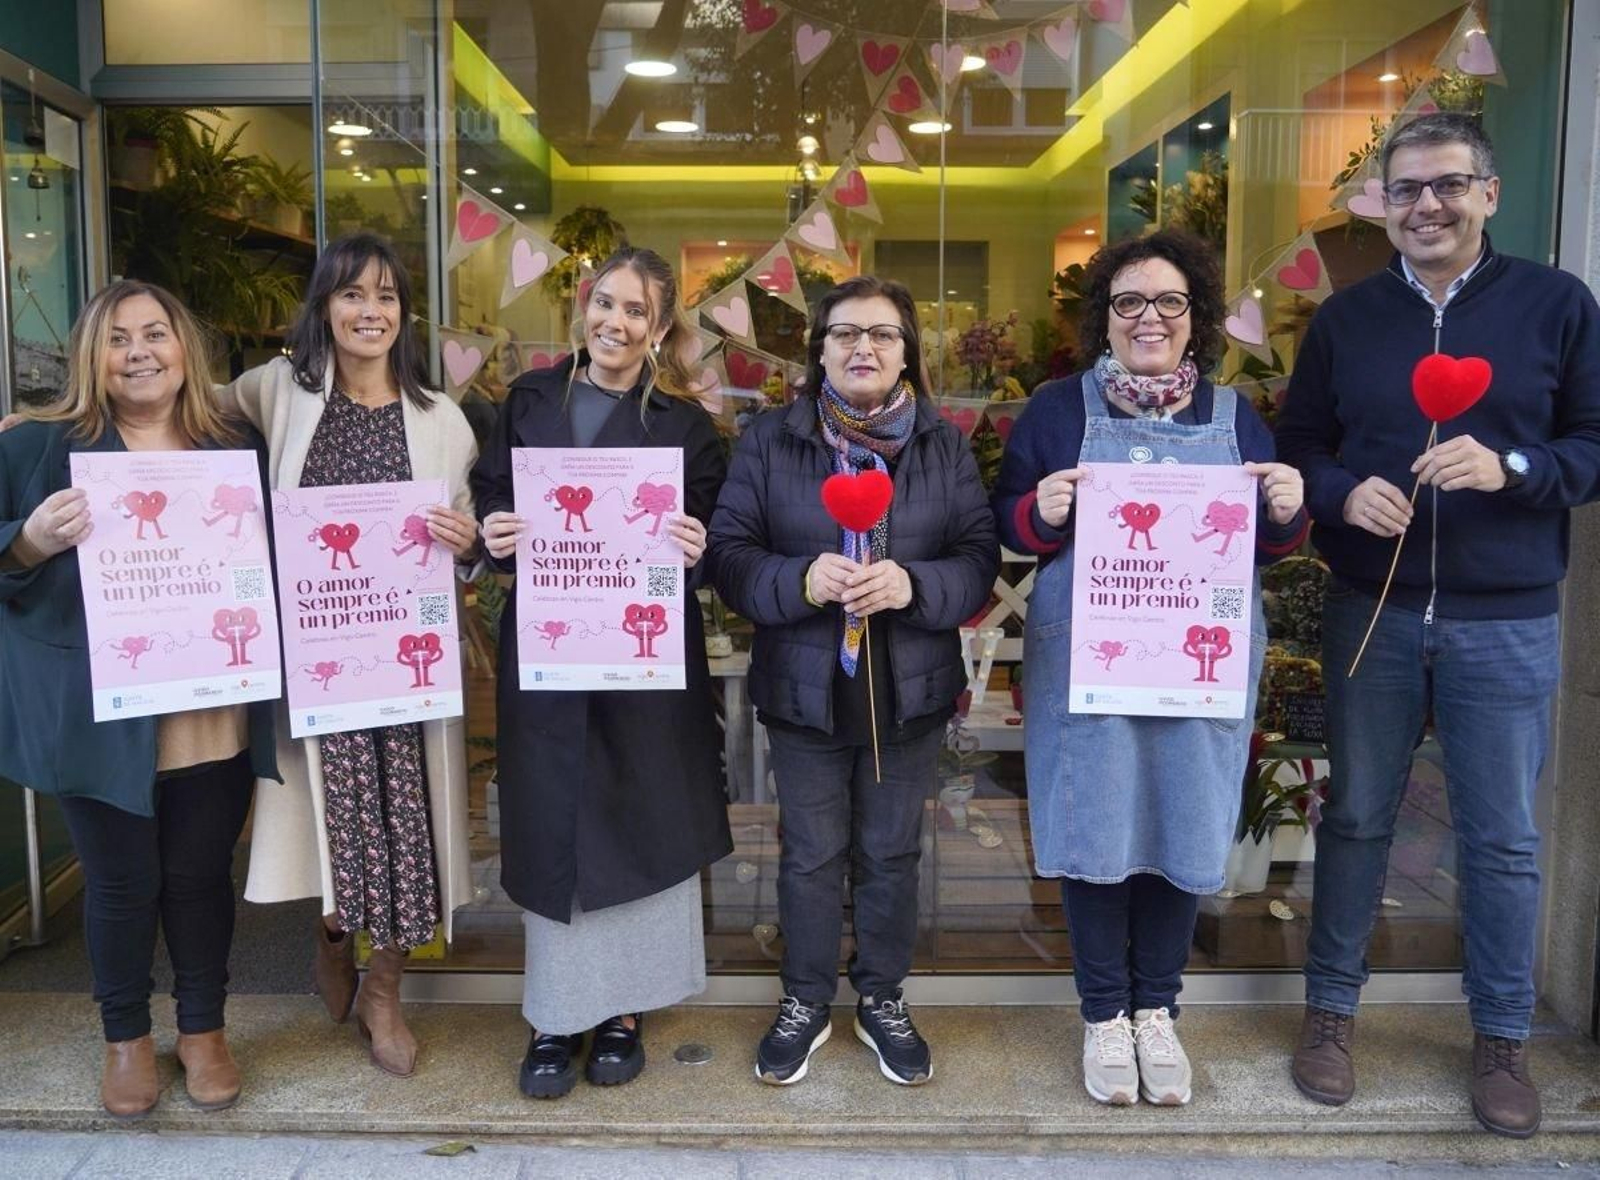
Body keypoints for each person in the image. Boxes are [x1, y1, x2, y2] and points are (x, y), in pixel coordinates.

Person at [1276, 112, 1600, 1139]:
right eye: (1405, 189)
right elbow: (1301, 446)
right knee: (1357, 817)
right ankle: (1330, 1017)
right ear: (1382, 204)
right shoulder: (1346, 318)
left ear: (1487, 194)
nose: (1425, 206)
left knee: (1501, 839)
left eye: (1447, 185)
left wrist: (1510, 468)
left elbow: (1591, 447)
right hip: (1368, 606)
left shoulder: (1557, 305)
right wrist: (1338, 493)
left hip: (1502, 618)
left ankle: (1501, 1039)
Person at [991, 229, 1307, 1107]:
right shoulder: (1057, 408)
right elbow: (1008, 528)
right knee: (1097, 827)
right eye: (1129, 302)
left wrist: (1287, 508)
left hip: (1195, 663)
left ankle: (1157, 1012)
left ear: (1196, 316)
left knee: (1180, 819)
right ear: (1106, 317)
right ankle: (1103, 1015)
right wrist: (1038, 507)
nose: (1149, 319)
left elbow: (1270, 544)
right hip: (1089, 660)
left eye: (1169, 301)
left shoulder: (1235, 413)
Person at [707, 275, 999, 1087]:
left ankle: (882, 998)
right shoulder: (772, 440)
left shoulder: (943, 443)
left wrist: (914, 586)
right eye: (844, 333)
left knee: (891, 853)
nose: (863, 346)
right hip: (805, 686)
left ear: (907, 350)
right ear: (819, 349)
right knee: (807, 855)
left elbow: (977, 559)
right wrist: (800, 580)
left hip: (907, 688)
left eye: (882, 333)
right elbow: (728, 555)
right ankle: (803, 999)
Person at [0, 280, 280, 1117]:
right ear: (93, 355)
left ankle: (203, 1031)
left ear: (183, 345)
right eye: (118, 339)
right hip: (100, 713)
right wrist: (29, 540)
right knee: (120, 885)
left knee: (198, 877)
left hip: (210, 711)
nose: (138, 353)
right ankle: (124, 1037)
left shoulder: (234, 442)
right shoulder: (35, 449)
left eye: (154, 333)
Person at [472, 246, 733, 1100]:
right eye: (605, 304)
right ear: (586, 305)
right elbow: (487, 494)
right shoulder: (529, 398)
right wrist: (493, 528)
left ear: (659, 330)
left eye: (635, 312)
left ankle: (624, 1011)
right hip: (548, 647)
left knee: (641, 809)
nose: (614, 323)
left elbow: (711, 544)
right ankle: (555, 1013)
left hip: (640, 652)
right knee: (554, 815)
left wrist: (696, 550)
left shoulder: (686, 428)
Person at [218, 232, 480, 1079]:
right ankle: (334, 933)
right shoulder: (278, 393)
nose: (371, 312)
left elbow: (470, 533)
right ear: (325, 307)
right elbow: (175, 414)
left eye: (386, 297)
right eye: (352, 295)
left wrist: (467, 540)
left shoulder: (442, 420)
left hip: (405, 659)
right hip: (321, 654)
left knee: (412, 823)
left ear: (403, 314)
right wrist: (50, 421)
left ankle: (386, 989)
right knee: (339, 816)